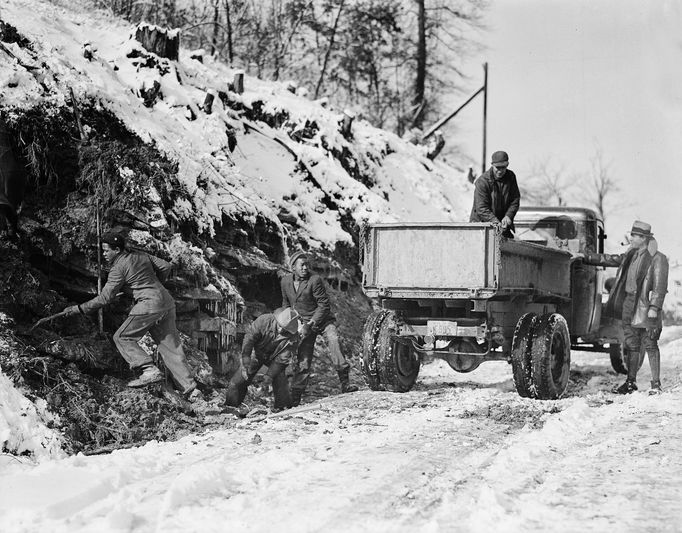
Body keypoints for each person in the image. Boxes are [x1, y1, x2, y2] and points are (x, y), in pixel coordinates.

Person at [62, 232, 200, 399]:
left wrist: (79, 308)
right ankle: (192, 391)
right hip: (166, 302)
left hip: (149, 305)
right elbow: (165, 266)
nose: (104, 254)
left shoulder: (118, 268)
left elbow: (105, 298)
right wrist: (153, 283)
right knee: (171, 348)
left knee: (122, 337)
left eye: (106, 251)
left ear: (117, 250)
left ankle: (148, 369)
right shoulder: (141, 254)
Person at [581, 221, 668, 394]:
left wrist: (654, 307)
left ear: (643, 238)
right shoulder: (631, 254)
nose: (631, 238)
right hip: (629, 302)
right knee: (631, 343)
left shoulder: (658, 258)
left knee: (650, 343)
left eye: (634, 235)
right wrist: (587, 257)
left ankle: (656, 384)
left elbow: (659, 286)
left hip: (644, 305)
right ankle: (630, 382)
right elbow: (612, 259)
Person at [281, 251, 358, 406]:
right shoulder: (285, 282)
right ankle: (295, 398)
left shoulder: (314, 280)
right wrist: (291, 325)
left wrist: (311, 324)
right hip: (303, 324)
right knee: (303, 360)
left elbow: (324, 305)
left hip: (322, 321)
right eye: (301, 265)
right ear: (293, 268)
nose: (305, 268)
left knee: (333, 341)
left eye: (306, 265)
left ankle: (345, 383)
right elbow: (286, 305)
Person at [224, 307, 300, 413]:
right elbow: (250, 339)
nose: (281, 330)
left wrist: (269, 376)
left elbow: (283, 359)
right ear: (277, 320)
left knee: (280, 377)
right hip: (256, 352)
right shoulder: (264, 321)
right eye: (280, 326)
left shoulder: (293, 337)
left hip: (274, 358)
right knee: (238, 380)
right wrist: (246, 358)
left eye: (285, 329)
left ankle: (283, 407)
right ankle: (231, 406)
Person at [469, 150, 521, 238]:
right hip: (482, 227)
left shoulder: (511, 177)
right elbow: (481, 208)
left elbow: (515, 200)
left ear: (507, 165)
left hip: (501, 227)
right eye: (497, 167)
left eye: (503, 167)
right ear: (492, 165)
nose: (500, 171)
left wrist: (508, 216)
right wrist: (495, 222)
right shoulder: (482, 182)